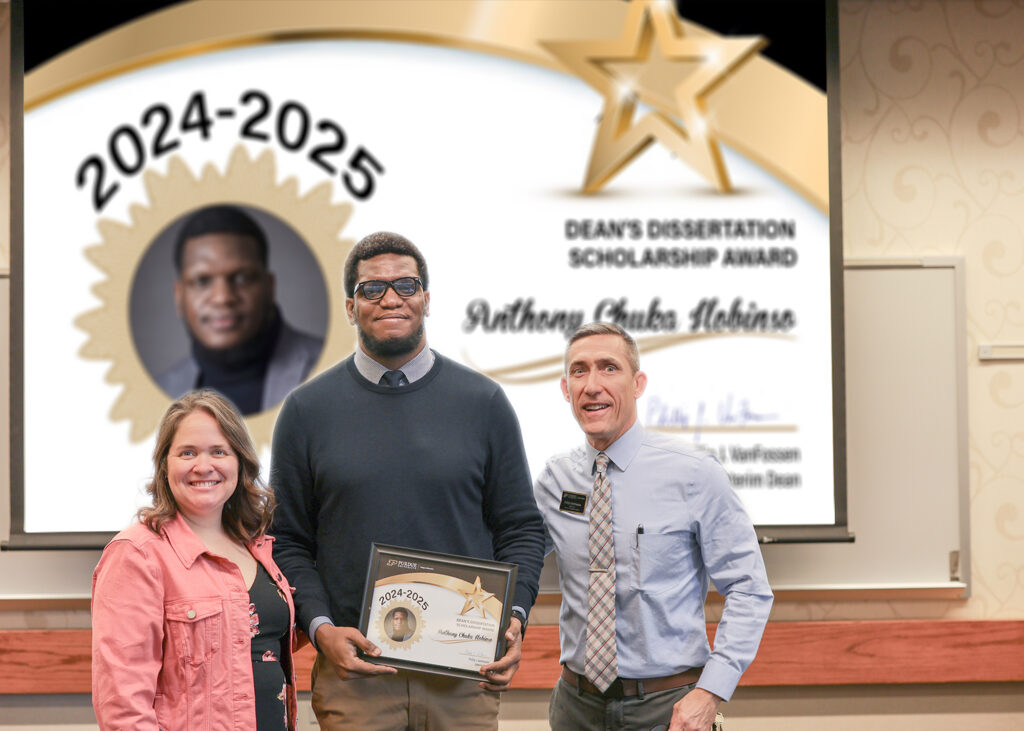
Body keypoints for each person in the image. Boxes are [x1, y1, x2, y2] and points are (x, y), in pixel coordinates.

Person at [270, 231, 546, 730]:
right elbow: (288, 541)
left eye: (406, 285)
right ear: (351, 308)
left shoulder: (484, 402)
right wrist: (321, 628)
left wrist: (516, 616)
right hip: (356, 677)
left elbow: (521, 529)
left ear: (426, 299)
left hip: (463, 679)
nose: (391, 298)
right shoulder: (305, 411)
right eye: (372, 289)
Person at [534, 322, 773, 731]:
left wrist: (710, 692)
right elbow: (510, 562)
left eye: (609, 368)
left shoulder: (695, 473)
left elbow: (748, 589)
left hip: (668, 709)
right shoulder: (554, 480)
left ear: (638, 383)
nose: (592, 385)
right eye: (579, 371)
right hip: (575, 708)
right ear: (565, 389)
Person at [92, 390, 300, 731]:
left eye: (219, 451)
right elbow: (123, 707)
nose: (203, 466)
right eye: (187, 452)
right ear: (165, 465)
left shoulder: (257, 546)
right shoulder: (137, 554)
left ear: (240, 462)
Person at [157, 204, 323, 415]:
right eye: (202, 281)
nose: (223, 297)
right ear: (179, 296)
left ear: (269, 288)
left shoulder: (331, 370)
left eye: (242, 277)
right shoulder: (163, 389)